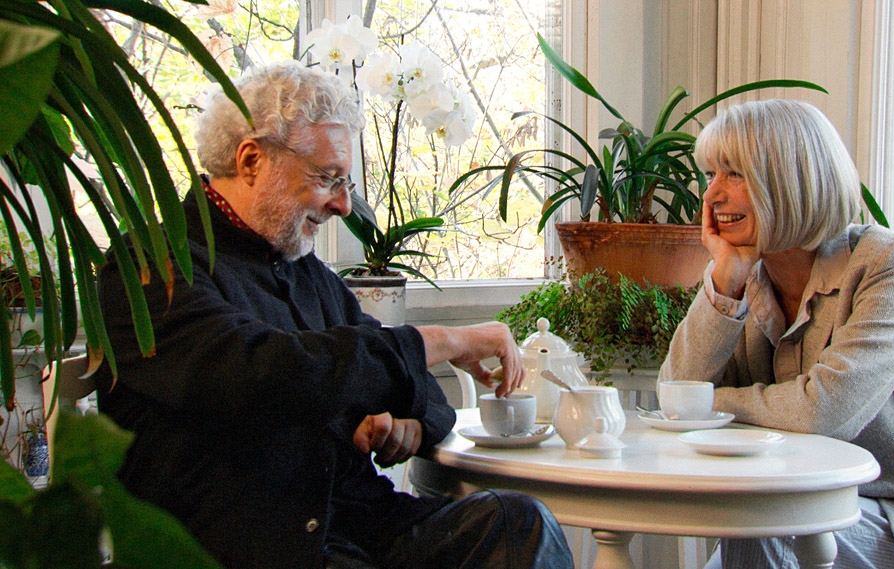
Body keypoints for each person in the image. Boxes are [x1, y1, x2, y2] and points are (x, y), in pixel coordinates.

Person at [96, 60, 572, 569]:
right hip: (252, 548)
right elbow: (271, 374)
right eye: (328, 179)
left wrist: (409, 422)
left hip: (363, 527)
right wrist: (446, 341)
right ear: (252, 160)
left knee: (517, 523)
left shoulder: (305, 273)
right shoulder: (153, 267)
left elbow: (422, 394)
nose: (344, 206)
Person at [660, 99, 894, 569]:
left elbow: (822, 413)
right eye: (711, 174)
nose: (712, 194)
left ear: (789, 179)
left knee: (763, 513)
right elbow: (677, 393)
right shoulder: (737, 274)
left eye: (734, 174)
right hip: (799, 510)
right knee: (760, 511)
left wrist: (710, 405)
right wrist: (725, 283)